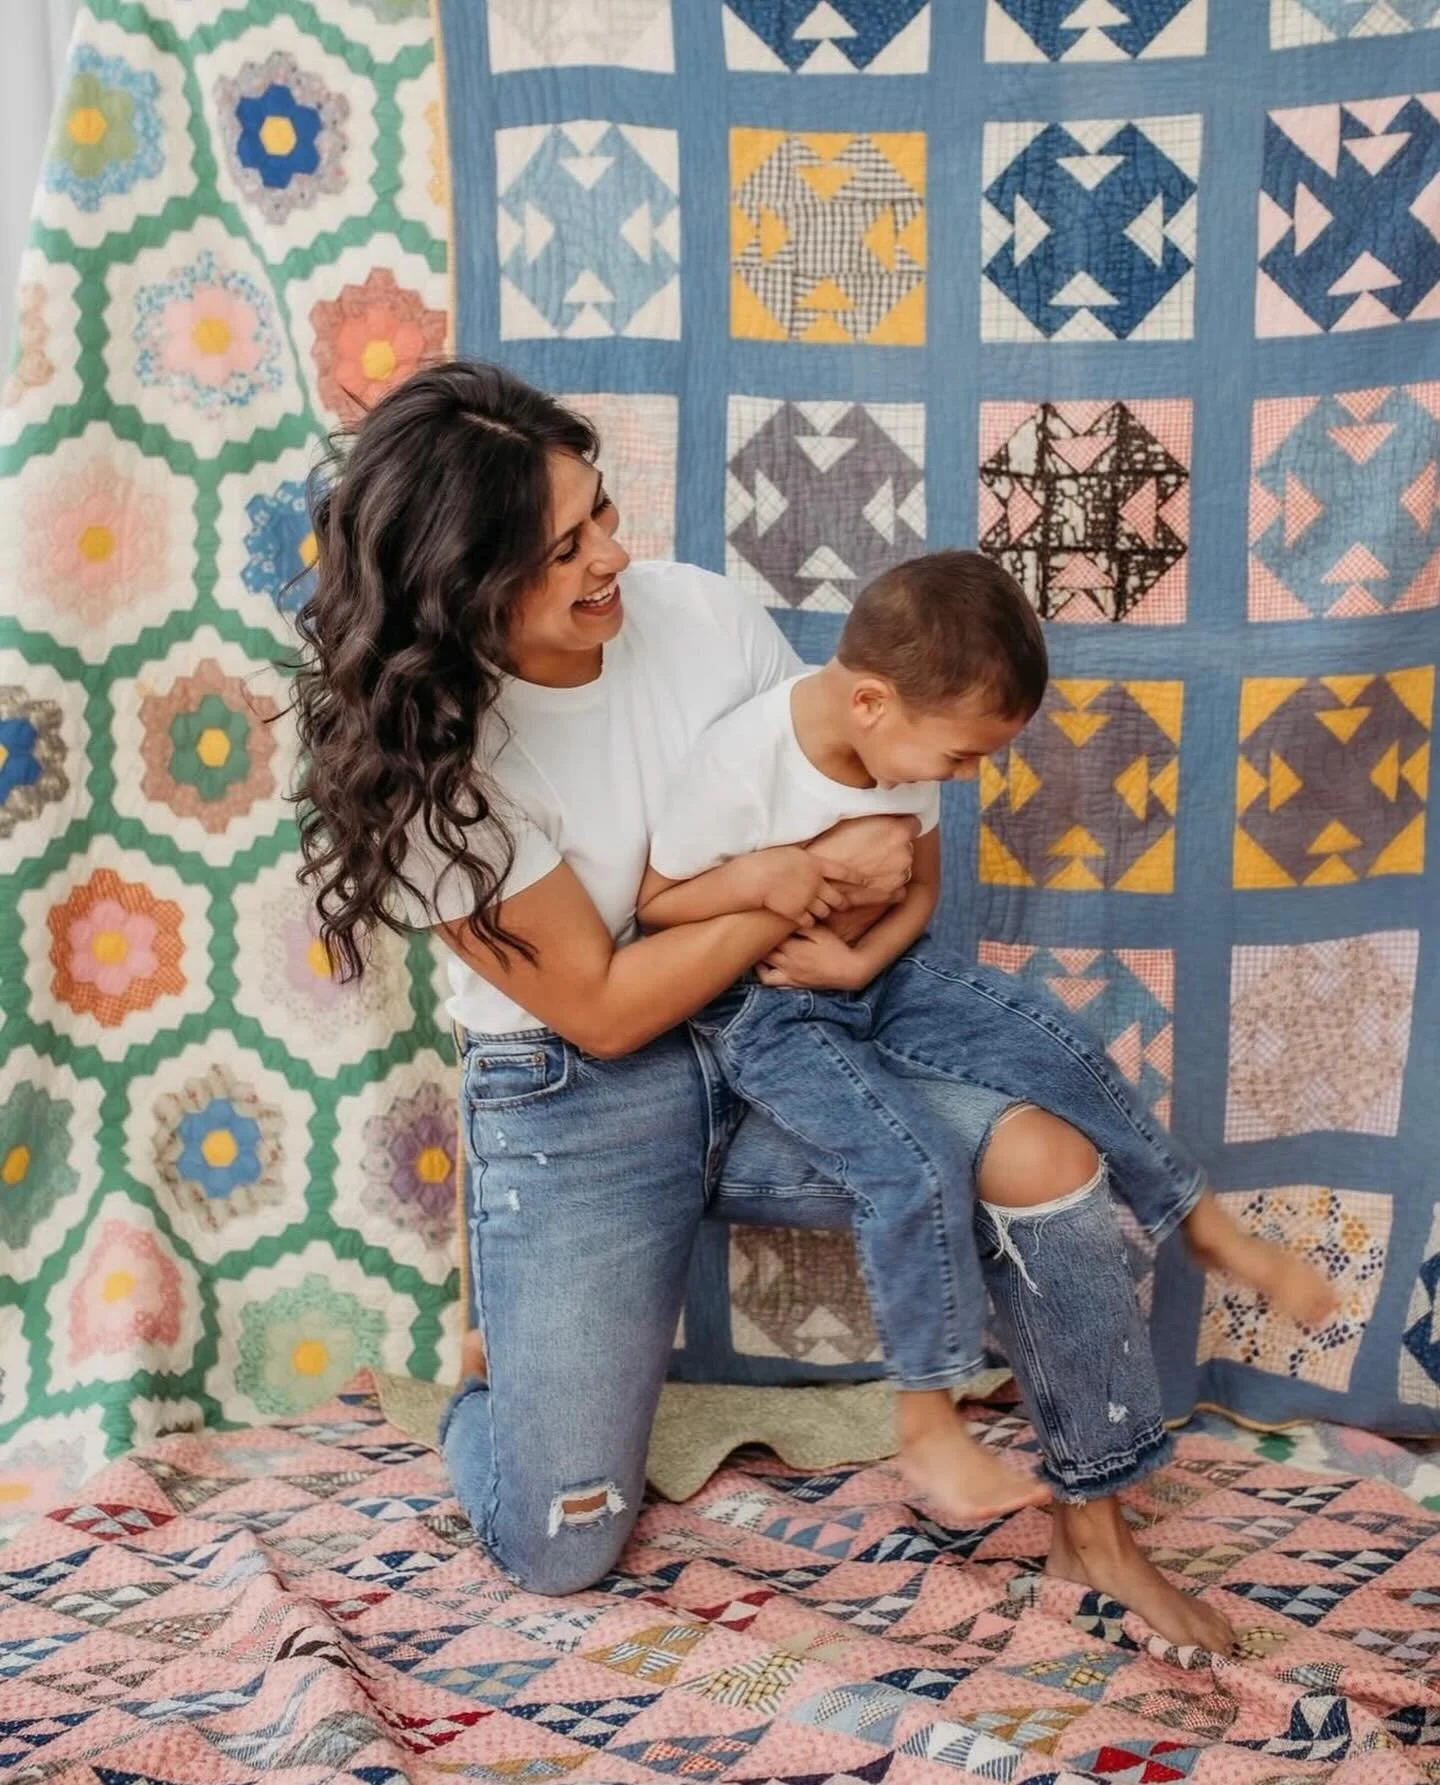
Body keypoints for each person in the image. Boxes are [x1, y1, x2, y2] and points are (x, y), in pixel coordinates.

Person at [290, 360, 1328, 1656]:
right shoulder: (435, 763)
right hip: (582, 1089)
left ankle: (1097, 1520)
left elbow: (856, 811)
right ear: (469, 586)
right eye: (568, 547)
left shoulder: (700, 617)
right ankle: (483, 1387)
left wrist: (851, 895)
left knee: (1046, 1158)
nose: (616, 552)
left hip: (787, 1030)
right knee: (558, 1544)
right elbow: (606, 1009)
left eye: (602, 508)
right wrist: (786, 891)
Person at [637, 549, 1337, 1531]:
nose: (968, 779)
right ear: (873, 703)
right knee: (911, 1161)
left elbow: (917, 893)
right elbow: (656, 903)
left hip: (869, 975)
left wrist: (855, 962)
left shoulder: (897, 753)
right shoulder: (740, 764)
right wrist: (772, 875)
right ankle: (927, 1415)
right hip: (764, 1013)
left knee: (1046, 1040)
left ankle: (1198, 1220)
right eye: (961, 757)